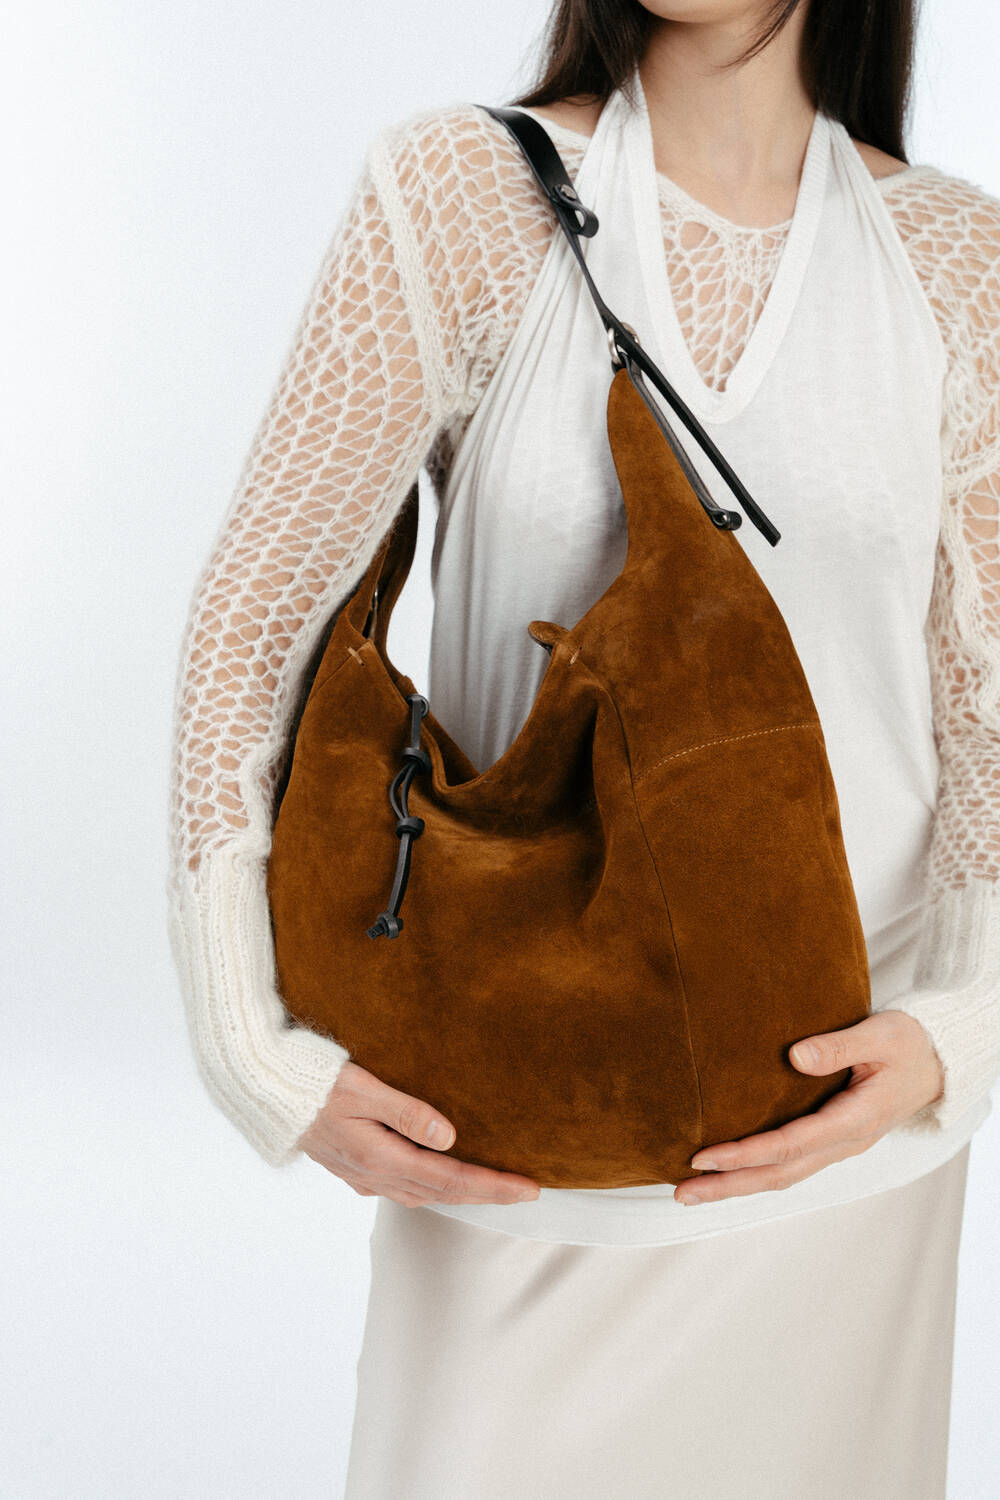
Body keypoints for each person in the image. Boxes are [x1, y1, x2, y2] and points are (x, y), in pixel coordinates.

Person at [165, 1, 1000, 1494]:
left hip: (847, 1157)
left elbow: (986, 710)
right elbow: (256, 619)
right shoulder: (456, 196)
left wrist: (964, 1030)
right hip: (521, 1131)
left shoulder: (955, 259)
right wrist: (254, 1050)